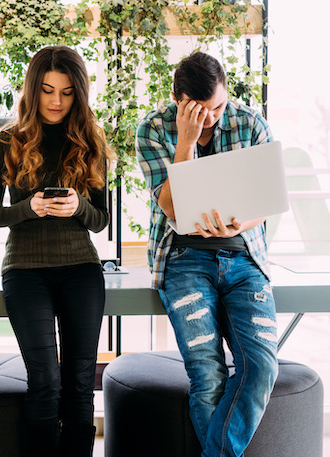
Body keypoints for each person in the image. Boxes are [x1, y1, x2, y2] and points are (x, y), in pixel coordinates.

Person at [135, 51, 278, 457]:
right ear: (178, 99)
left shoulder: (250, 123)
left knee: (263, 366)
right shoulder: (152, 128)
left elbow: (265, 203)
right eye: (201, 111)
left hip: (244, 258)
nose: (212, 118)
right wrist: (184, 140)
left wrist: (238, 223)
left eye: (218, 107)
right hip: (183, 259)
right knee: (207, 374)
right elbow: (173, 208)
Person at [0, 45, 112, 456]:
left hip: (81, 268)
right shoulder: (7, 139)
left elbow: (101, 220)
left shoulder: (91, 139)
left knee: (79, 384)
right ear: (32, 89)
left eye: (68, 92)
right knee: (45, 382)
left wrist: (78, 207)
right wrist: (28, 208)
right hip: (24, 270)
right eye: (48, 90)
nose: (56, 101)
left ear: (80, 93)